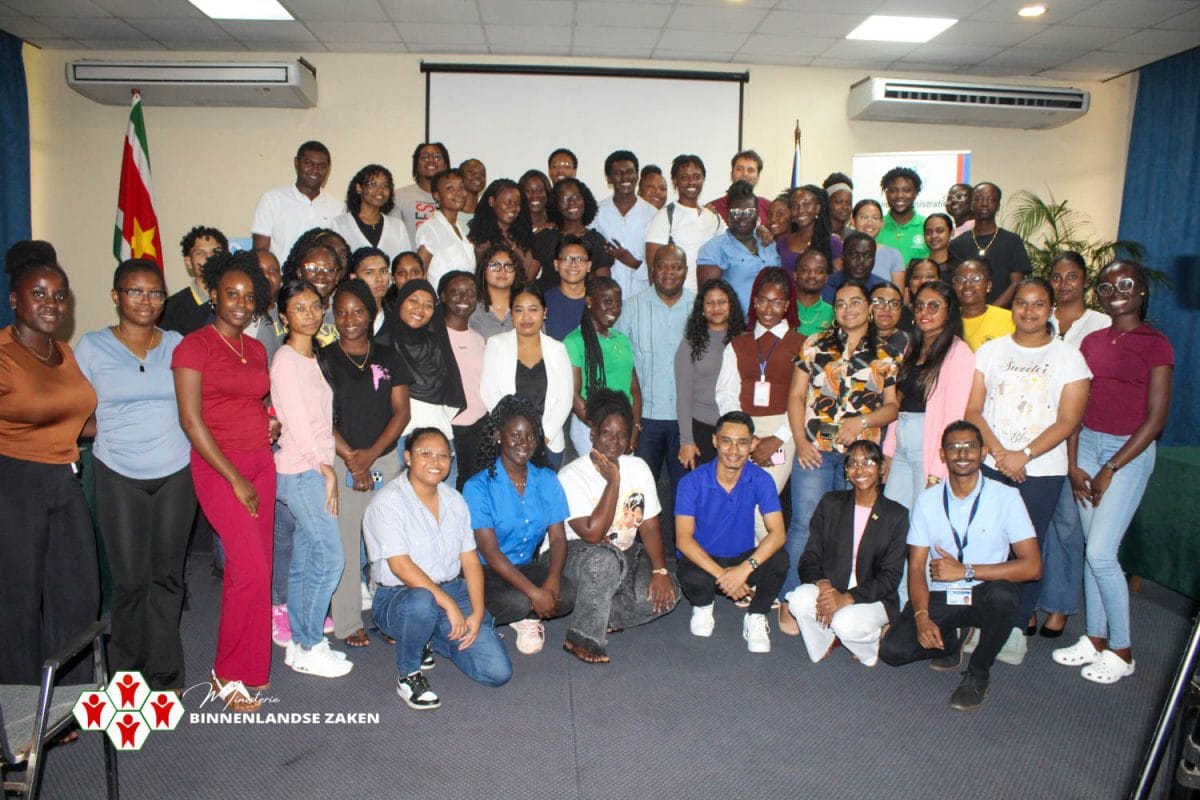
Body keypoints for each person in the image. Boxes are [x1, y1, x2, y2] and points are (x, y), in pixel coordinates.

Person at [75, 259, 195, 690]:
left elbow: (200, 403)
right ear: (115, 297)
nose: (146, 300)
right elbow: (73, 411)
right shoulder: (91, 347)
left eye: (155, 293)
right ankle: (126, 676)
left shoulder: (179, 344)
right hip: (118, 472)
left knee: (167, 576)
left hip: (176, 472)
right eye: (135, 291)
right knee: (129, 579)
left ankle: (165, 673)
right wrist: (105, 429)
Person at [1052, 260, 1173, 685]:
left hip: (1128, 452)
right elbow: (1076, 407)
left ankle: (1122, 650)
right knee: (1091, 548)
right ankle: (1095, 638)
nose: (1116, 291)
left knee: (1102, 552)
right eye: (1106, 286)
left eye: (1126, 284)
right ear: (1097, 295)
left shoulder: (1156, 343)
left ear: (1141, 290)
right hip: (1086, 446)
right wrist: (1072, 463)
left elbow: (1156, 419)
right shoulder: (1093, 342)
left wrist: (1109, 467)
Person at [965, 277, 1091, 664]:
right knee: (986, 541)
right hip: (993, 462)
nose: (1029, 311)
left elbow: (1069, 420)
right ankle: (983, 620)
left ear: (1051, 308)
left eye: (1038, 304)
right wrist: (1001, 453)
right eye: (1022, 303)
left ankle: (1017, 626)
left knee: (1027, 547)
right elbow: (973, 410)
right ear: (1013, 307)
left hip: (1042, 469)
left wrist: (1025, 454)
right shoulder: (992, 352)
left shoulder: (1069, 358)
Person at [171, 250, 275, 712]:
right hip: (220, 469)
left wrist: (269, 419)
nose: (239, 303)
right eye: (231, 293)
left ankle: (252, 668)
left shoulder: (253, 348)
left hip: (261, 464)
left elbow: (254, 399)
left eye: (248, 297)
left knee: (257, 570)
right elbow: (191, 422)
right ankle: (226, 673)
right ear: (213, 294)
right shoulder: (193, 346)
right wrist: (234, 478)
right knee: (248, 567)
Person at [878, 421, 1041, 711]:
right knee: (893, 651)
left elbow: (1032, 567)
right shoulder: (928, 501)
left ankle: (978, 673)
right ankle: (952, 640)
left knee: (1004, 595)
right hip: (944, 596)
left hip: (984, 593)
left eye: (970, 446)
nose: (962, 453)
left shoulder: (1006, 497)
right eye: (954, 447)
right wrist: (922, 617)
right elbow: (916, 568)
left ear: (983, 452)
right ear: (942, 455)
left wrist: (966, 570)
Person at [1, 254, 99, 685]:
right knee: (18, 601)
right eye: (38, 293)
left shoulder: (63, 352)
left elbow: (78, 419)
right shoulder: (4, 354)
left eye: (60, 295)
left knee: (77, 593)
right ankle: (21, 709)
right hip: (14, 484)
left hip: (64, 479)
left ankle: (64, 702)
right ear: (14, 300)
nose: (51, 303)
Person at [365, 427, 512, 710]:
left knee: (497, 673)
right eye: (426, 454)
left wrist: (477, 612)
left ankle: (428, 636)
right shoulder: (389, 502)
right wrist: (448, 605)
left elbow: (470, 560)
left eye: (443, 455)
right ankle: (409, 675)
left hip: (450, 590)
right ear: (407, 457)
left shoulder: (455, 501)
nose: (436, 461)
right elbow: (400, 566)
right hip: (400, 598)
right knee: (423, 602)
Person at [783, 279, 901, 630]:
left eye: (855, 302)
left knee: (852, 532)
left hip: (860, 458)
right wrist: (800, 441)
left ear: (869, 307)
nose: (847, 309)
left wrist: (861, 421)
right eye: (840, 304)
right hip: (816, 452)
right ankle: (791, 599)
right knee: (805, 525)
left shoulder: (887, 352)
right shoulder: (815, 344)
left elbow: (893, 407)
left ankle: (845, 602)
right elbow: (795, 396)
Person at [319, 279, 411, 650]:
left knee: (389, 542)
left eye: (357, 311)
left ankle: (391, 615)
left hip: (384, 459)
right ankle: (347, 622)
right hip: (340, 461)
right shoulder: (323, 358)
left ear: (371, 315)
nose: (349, 319)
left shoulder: (388, 355)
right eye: (341, 312)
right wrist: (352, 460)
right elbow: (318, 416)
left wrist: (370, 456)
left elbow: (401, 413)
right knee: (345, 543)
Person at [557, 390, 680, 663]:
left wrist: (660, 570)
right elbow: (592, 534)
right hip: (577, 559)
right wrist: (613, 482)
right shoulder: (571, 475)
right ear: (593, 435)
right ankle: (582, 636)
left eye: (622, 434)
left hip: (624, 556)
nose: (614, 441)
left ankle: (600, 611)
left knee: (670, 592)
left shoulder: (638, 468)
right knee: (603, 558)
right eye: (607, 433)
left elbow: (649, 527)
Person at [271, 279, 352, 678]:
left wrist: (325, 466)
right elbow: (297, 422)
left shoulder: (312, 358)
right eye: (299, 308)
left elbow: (321, 421)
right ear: (284, 316)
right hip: (303, 471)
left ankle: (302, 643)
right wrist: (325, 470)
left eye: (315, 306)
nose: (309, 313)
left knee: (305, 561)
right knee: (330, 558)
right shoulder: (285, 359)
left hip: (311, 469)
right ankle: (309, 643)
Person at [465, 395, 576, 655]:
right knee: (517, 601)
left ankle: (527, 611)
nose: (523, 443)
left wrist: (551, 581)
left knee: (567, 595)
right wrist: (534, 594)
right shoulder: (478, 487)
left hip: (526, 566)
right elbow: (490, 553)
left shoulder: (547, 479)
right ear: (497, 436)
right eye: (515, 435)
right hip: (486, 571)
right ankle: (510, 614)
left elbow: (559, 539)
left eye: (530, 436)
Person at [1037, 252, 1111, 636]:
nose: (1064, 283)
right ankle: (1030, 601)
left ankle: (1060, 606)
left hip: (1077, 436)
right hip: (1035, 435)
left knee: (1066, 523)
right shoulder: (1039, 318)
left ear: (1084, 281)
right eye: (1057, 277)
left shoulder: (1099, 323)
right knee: (1033, 523)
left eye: (1072, 277)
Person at [674, 411, 789, 653]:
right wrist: (725, 576)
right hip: (705, 563)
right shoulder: (691, 482)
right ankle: (703, 606)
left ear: (753, 444)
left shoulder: (761, 480)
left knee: (780, 559)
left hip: (742, 560)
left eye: (742, 442)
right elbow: (683, 540)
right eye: (726, 441)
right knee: (690, 572)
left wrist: (743, 571)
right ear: (715, 440)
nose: (733, 450)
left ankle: (756, 615)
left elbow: (777, 533)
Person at [787, 439, 907, 666]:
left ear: (881, 468)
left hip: (873, 598)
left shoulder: (896, 515)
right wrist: (823, 585)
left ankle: (870, 645)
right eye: (852, 463)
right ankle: (825, 641)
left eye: (868, 462)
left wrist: (847, 598)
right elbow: (810, 556)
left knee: (845, 623)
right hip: (833, 587)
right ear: (846, 470)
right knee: (799, 600)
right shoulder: (831, 503)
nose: (860, 470)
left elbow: (890, 578)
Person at [714, 267, 804, 544]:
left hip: (785, 430)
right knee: (735, 502)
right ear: (754, 302)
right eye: (763, 300)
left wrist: (777, 438)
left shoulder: (803, 344)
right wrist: (743, 437)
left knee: (758, 504)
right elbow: (726, 393)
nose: (769, 308)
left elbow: (805, 399)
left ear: (787, 305)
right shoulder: (737, 344)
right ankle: (746, 577)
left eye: (777, 302)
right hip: (744, 430)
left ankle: (763, 575)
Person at [615, 245, 694, 545]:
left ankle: (682, 557)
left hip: (685, 421)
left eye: (677, 266)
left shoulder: (698, 307)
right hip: (643, 418)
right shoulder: (632, 307)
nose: (669, 272)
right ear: (652, 270)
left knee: (684, 492)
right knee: (635, 491)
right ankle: (628, 553)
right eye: (663, 266)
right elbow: (622, 362)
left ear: (685, 271)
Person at [883, 281, 973, 511]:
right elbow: (899, 402)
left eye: (934, 306)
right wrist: (889, 451)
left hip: (929, 446)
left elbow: (953, 418)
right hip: (903, 442)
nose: (924, 312)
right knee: (894, 518)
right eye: (920, 305)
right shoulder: (912, 347)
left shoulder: (958, 353)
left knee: (923, 521)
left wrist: (938, 470)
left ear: (950, 311)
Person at [479, 281, 573, 469]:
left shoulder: (557, 349)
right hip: (508, 444)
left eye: (533, 309)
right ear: (511, 314)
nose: (526, 317)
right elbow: (489, 394)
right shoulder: (496, 345)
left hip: (548, 443)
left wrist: (540, 438)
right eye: (519, 310)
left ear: (544, 313)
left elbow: (565, 399)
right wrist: (514, 437)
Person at [376, 279, 466, 444]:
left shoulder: (438, 345)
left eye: (428, 305)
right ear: (401, 302)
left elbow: (452, 396)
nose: (420, 309)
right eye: (413, 301)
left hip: (439, 435)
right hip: (395, 440)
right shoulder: (381, 345)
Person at [564, 276, 642, 458]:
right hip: (591, 428)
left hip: (624, 429)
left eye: (618, 303)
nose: (614, 308)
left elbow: (635, 389)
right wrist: (601, 429)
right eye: (607, 302)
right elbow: (573, 396)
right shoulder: (574, 341)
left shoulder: (622, 339)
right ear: (589, 301)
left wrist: (634, 428)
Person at [675, 278, 746, 470]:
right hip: (702, 430)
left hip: (739, 429)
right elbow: (683, 397)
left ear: (731, 305)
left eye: (722, 301)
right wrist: (687, 441)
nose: (716, 307)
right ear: (702, 308)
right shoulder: (690, 344)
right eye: (710, 302)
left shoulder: (746, 340)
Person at [697, 180, 781, 315]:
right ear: (728, 215)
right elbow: (708, 302)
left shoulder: (769, 243)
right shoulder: (713, 249)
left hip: (771, 323)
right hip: (735, 328)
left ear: (757, 214)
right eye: (736, 212)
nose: (742, 217)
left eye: (749, 212)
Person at [251, 141, 343, 264]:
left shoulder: (338, 207)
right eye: (308, 163)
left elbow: (339, 254)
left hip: (322, 280)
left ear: (328, 169)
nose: (315, 170)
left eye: (322, 165)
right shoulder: (272, 200)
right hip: (283, 281)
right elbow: (260, 252)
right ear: (296, 163)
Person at [645, 154, 726, 294]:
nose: (691, 182)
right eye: (684, 177)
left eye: (696, 177)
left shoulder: (713, 217)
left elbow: (732, 244)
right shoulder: (665, 217)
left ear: (703, 179)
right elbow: (653, 268)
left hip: (706, 300)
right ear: (674, 181)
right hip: (676, 299)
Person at [438, 271, 490, 488]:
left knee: (472, 490)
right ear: (442, 296)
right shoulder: (434, 336)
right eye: (456, 292)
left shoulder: (479, 339)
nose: (463, 298)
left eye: (469, 293)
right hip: (446, 428)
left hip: (477, 429)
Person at [948, 182, 1031, 308]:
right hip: (968, 316)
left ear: (998, 205)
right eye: (979, 198)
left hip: (1003, 315)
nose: (984, 203)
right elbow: (956, 284)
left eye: (990, 199)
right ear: (971, 204)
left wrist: (991, 311)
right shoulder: (957, 244)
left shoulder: (1012, 241)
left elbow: (1017, 282)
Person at [593, 149, 658, 299]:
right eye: (618, 173)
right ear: (609, 178)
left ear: (637, 175)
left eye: (629, 171)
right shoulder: (597, 213)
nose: (625, 177)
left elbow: (657, 264)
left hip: (642, 295)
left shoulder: (653, 215)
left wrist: (634, 262)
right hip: (606, 298)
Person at [532, 178, 614, 288]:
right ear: (556, 205)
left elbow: (603, 287)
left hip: (583, 303)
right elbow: (528, 278)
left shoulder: (597, 241)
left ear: (585, 200)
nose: (571, 203)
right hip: (547, 302)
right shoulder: (546, 238)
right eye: (564, 200)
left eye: (576, 197)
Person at [331, 164, 413, 261]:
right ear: (359, 188)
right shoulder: (340, 224)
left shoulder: (397, 226)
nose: (380, 190)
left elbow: (405, 263)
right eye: (372, 184)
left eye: (385, 186)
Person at [469, 178, 540, 283]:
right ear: (492, 201)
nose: (513, 208)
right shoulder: (478, 240)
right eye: (507, 202)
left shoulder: (525, 238)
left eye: (517, 204)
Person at [415, 168, 476, 288]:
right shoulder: (431, 228)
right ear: (436, 195)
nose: (458, 193)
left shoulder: (460, 229)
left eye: (461, 187)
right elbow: (419, 275)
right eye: (450, 188)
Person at [161, 226, 226, 334]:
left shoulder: (236, 301)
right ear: (188, 262)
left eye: (215, 252)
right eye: (200, 253)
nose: (209, 258)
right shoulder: (171, 307)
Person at [775, 185, 840, 278]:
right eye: (795, 206)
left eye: (806, 205)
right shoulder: (783, 242)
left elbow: (836, 280)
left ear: (817, 208)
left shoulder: (832, 243)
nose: (800, 210)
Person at [393, 141, 449, 242]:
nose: (431, 161)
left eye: (437, 157)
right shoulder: (399, 197)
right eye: (425, 157)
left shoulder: (455, 199)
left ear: (445, 165)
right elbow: (393, 236)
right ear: (416, 165)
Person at [955, 258, 1015, 351]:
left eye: (975, 279)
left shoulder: (1010, 319)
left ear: (988, 286)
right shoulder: (946, 319)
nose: (967, 284)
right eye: (961, 279)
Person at [877, 166, 929, 265]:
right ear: (886, 193)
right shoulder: (876, 227)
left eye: (906, 190)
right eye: (893, 190)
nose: (900, 195)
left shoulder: (927, 226)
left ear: (916, 193)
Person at [544, 236, 591, 341]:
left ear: (589, 266)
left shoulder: (598, 302)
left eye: (579, 259)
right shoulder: (544, 301)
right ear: (556, 264)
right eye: (567, 259)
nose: (573, 264)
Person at [706, 150, 771, 225]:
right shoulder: (713, 209)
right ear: (731, 174)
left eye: (750, 170)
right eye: (739, 169)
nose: (745, 174)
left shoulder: (768, 207)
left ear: (758, 177)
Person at [469, 243, 518, 340]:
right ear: (484, 269)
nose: (502, 271)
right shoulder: (471, 309)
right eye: (495, 265)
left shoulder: (526, 307)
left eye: (508, 266)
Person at [822, 231, 887, 303]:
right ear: (842, 256)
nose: (861, 261)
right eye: (854, 255)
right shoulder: (824, 285)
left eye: (867, 256)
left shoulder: (884, 289)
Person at [851, 200, 904, 286]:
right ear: (852, 221)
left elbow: (897, 295)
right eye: (864, 217)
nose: (870, 222)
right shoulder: (841, 251)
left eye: (875, 218)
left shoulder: (893, 255)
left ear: (882, 223)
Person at [251, 249, 287, 361]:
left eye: (273, 270)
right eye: (260, 271)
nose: (266, 276)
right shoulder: (241, 318)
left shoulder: (287, 313)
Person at [795, 249, 835, 337]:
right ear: (795, 275)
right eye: (805, 270)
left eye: (819, 271)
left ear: (826, 278)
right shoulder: (784, 307)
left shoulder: (833, 314)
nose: (812, 275)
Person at [869, 281, 909, 355]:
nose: (887, 309)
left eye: (894, 304)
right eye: (879, 302)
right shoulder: (857, 341)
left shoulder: (911, 344)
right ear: (868, 307)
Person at [922, 212, 957, 283]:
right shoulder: (917, 267)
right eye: (928, 232)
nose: (934, 236)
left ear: (952, 233)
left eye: (940, 231)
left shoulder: (959, 268)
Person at [519, 169, 555, 234]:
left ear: (547, 192)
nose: (535, 195)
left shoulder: (557, 224)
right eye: (528, 191)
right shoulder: (513, 225)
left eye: (540, 190)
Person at [822, 172, 853, 238]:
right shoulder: (815, 234)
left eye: (849, 203)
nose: (845, 207)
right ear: (826, 202)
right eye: (839, 202)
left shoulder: (854, 236)